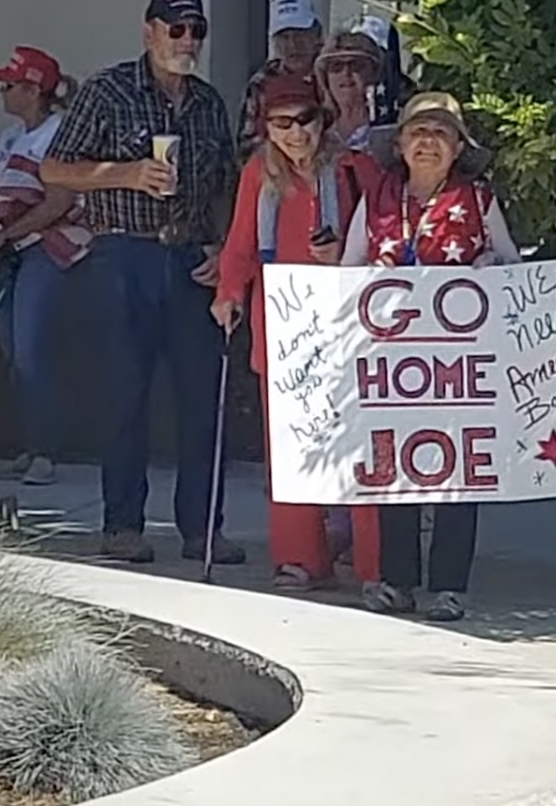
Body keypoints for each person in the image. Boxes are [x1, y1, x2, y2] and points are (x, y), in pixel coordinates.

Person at [41, 0, 244, 566]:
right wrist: (126, 173)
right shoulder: (108, 90)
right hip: (122, 254)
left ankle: (203, 529)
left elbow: (225, 184)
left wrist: (226, 250)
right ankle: (122, 524)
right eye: (175, 29)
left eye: (196, 30)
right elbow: (54, 168)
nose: (187, 40)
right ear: (150, 32)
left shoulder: (207, 103)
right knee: (125, 395)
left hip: (189, 259)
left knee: (203, 399)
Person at [342, 91, 522, 622]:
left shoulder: (479, 200)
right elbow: (350, 267)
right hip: (390, 363)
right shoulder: (376, 199)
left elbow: (510, 264)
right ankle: (398, 581)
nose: (427, 142)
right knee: (393, 464)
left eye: (440, 133)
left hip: (456, 366)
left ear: (457, 148)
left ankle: (449, 586)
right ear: (398, 144)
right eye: (418, 132)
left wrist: (488, 268)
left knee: (457, 470)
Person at [213, 69, 381, 591]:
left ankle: (377, 562)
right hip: (285, 326)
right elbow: (241, 243)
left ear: (320, 118)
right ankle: (300, 557)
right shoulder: (257, 176)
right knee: (291, 444)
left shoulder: (357, 169)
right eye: (280, 123)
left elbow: (385, 234)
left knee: (363, 443)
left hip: (350, 321)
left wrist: (347, 257)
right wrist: (228, 293)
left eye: (303, 119)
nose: (294, 133)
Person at [0, 46, 89, 486]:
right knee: (13, 350)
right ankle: (30, 445)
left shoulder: (58, 133)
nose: (2, 93)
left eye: (9, 85)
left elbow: (60, 200)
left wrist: (8, 234)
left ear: (33, 89)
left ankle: (47, 449)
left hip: (50, 249)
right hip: (15, 253)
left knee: (32, 351)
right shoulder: (10, 138)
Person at [236, 0, 324, 162]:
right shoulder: (261, 83)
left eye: (300, 34)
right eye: (284, 37)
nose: (293, 45)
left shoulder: (333, 76)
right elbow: (246, 149)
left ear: (317, 35)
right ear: (274, 42)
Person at [314, 31, 381, 151]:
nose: (346, 73)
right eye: (336, 66)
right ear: (325, 77)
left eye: (356, 65)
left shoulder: (390, 124)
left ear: (373, 72)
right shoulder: (315, 129)